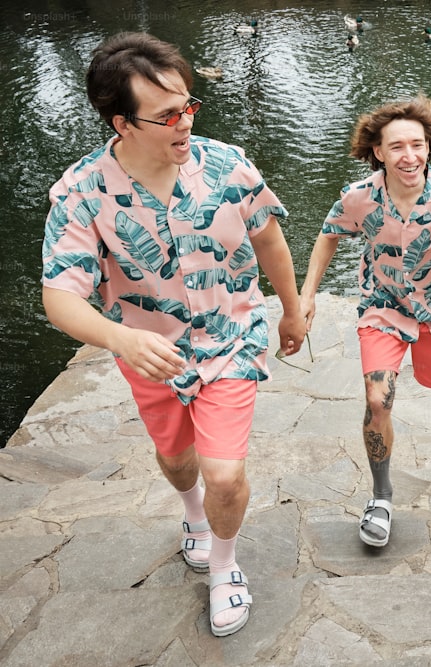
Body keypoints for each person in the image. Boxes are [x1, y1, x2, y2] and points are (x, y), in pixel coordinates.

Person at [41, 32, 306, 637]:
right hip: (150, 353)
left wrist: (291, 309)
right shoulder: (82, 192)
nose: (184, 122)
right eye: (166, 115)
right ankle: (192, 516)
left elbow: (267, 237)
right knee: (176, 458)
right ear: (122, 122)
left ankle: (224, 565)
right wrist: (120, 338)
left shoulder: (228, 165)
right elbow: (59, 295)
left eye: (188, 105)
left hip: (231, 340)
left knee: (224, 473)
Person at [299, 95, 431, 549]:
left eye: (417, 145)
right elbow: (328, 235)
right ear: (378, 151)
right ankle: (381, 495)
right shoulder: (359, 198)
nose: (409, 156)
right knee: (377, 399)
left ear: (430, 148)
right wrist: (307, 293)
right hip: (384, 307)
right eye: (396, 147)